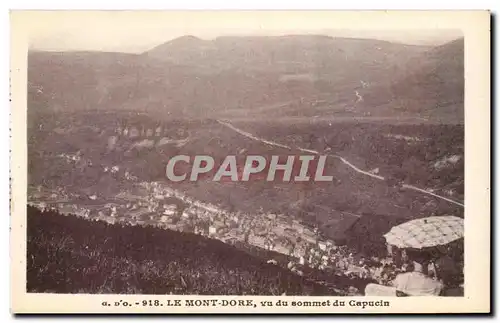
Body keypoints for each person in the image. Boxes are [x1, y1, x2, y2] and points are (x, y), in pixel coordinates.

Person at [365, 249, 443, 296]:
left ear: (412, 260)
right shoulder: (436, 285)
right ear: (428, 262)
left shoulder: (402, 278)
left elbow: (396, 292)